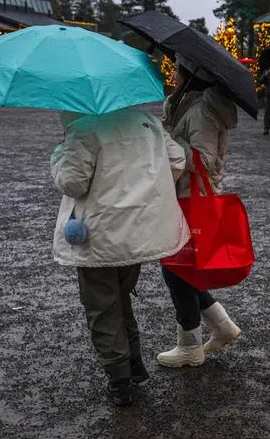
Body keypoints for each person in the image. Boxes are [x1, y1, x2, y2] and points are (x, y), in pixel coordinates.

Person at [50, 108, 188, 406]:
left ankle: (119, 378)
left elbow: (72, 183)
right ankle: (133, 361)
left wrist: (60, 154)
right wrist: (146, 192)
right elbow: (177, 160)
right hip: (136, 232)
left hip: (97, 235)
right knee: (120, 295)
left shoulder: (86, 128)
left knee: (101, 304)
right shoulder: (148, 122)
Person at [157, 55, 243, 369]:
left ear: (190, 75)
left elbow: (204, 161)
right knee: (181, 267)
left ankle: (190, 345)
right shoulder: (185, 105)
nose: (173, 74)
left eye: (177, 69)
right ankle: (221, 326)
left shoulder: (200, 112)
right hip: (183, 197)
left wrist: (165, 140)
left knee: (176, 269)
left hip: (193, 200)